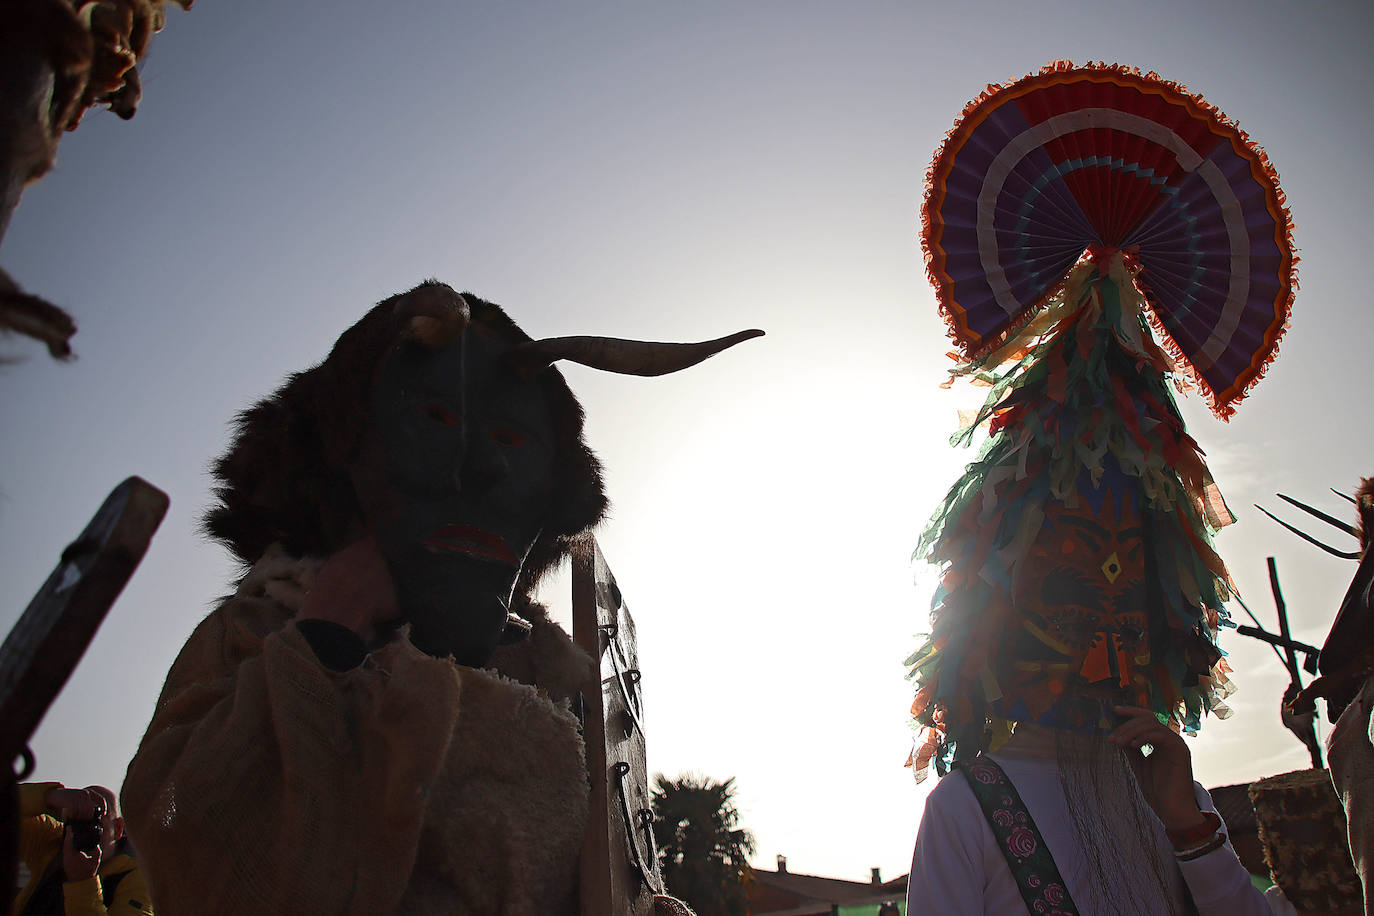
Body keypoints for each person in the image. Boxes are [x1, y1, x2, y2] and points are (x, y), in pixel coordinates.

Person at [121, 281, 755, 914]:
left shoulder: (565, 680)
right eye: (435, 419)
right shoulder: (256, 639)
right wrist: (326, 637)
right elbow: (193, 854)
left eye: (511, 439)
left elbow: (612, 886)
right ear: (342, 455)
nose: (484, 468)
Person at [11, 781, 153, 915]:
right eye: (76, 820)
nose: (83, 830)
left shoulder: (139, 880)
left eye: (96, 821)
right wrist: (49, 796)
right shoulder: (51, 840)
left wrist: (82, 882)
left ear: (117, 828)